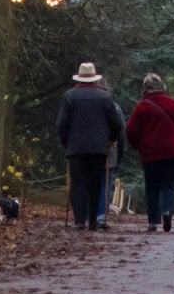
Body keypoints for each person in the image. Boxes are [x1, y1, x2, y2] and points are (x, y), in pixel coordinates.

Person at [54, 61, 125, 231]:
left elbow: (61, 124)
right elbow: (116, 124)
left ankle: (79, 220)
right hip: (99, 148)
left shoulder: (69, 97)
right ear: (94, 79)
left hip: (75, 148)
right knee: (95, 184)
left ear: (79, 78)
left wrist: (66, 142)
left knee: (78, 183)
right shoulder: (105, 98)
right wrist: (110, 140)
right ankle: (93, 220)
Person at [124, 73, 174, 233]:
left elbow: (130, 130)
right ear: (162, 86)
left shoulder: (142, 107)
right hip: (172, 152)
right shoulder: (173, 104)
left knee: (152, 187)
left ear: (145, 89)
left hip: (151, 153)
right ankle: (167, 211)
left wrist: (137, 146)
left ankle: (153, 222)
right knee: (169, 185)